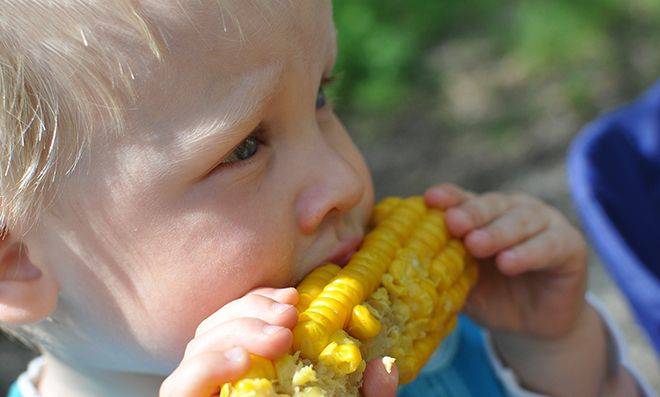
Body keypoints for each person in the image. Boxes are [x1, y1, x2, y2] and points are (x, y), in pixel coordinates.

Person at [0, 1, 650, 396]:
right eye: (245, 147)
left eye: (320, 95)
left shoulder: (449, 344)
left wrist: (554, 350)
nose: (345, 179)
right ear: (16, 261)